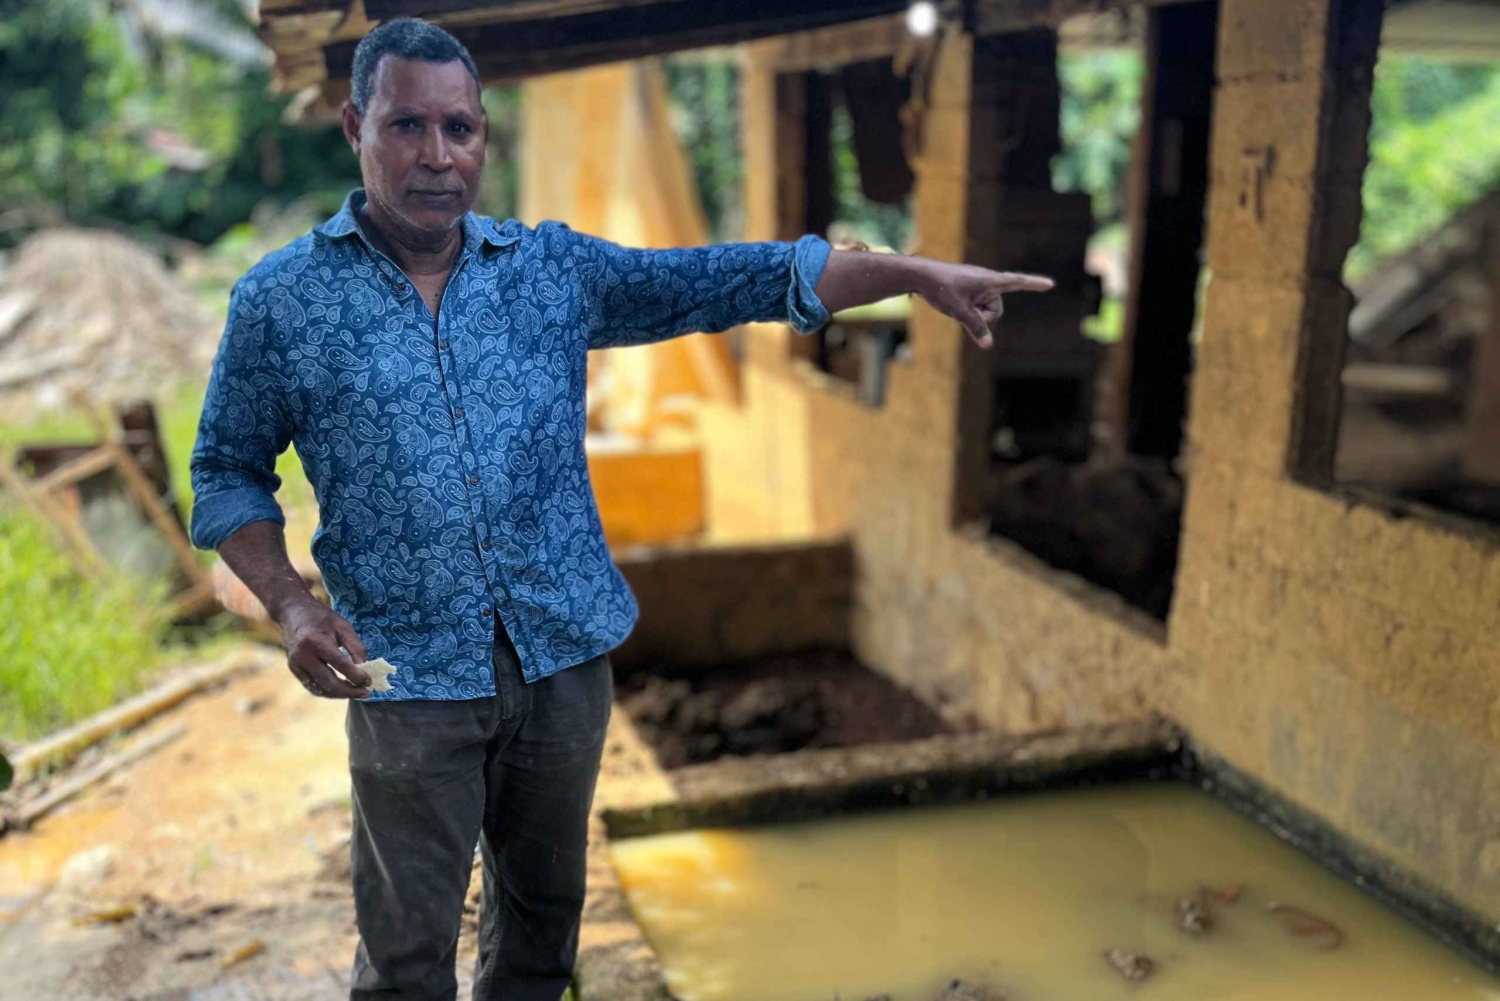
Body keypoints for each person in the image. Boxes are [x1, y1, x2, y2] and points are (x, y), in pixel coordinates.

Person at [190, 17, 1051, 1001]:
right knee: (405, 955)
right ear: (356, 126)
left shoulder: (548, 272)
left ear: (483, 135)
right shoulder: (283, 301)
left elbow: (735, 278)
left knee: (542, 929)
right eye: (407, 126)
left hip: (562, 661)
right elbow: (225, 468)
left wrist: (914, 273)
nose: (438, 155)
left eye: (460, 128)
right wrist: (294, 605)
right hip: (408, 675)